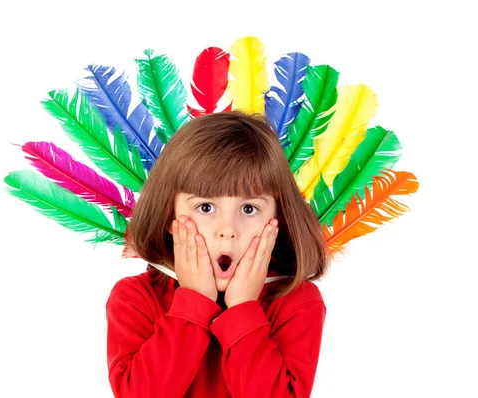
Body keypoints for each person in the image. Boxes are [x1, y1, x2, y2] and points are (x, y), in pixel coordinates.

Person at [105, 111, 333, 398]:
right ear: (169, 216)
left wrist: (242, 310)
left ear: (280, 219)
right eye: (206, 207)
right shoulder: (135, 298)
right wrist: (194, 303)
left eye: (249, 209)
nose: (228, 230)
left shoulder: (297, 302)